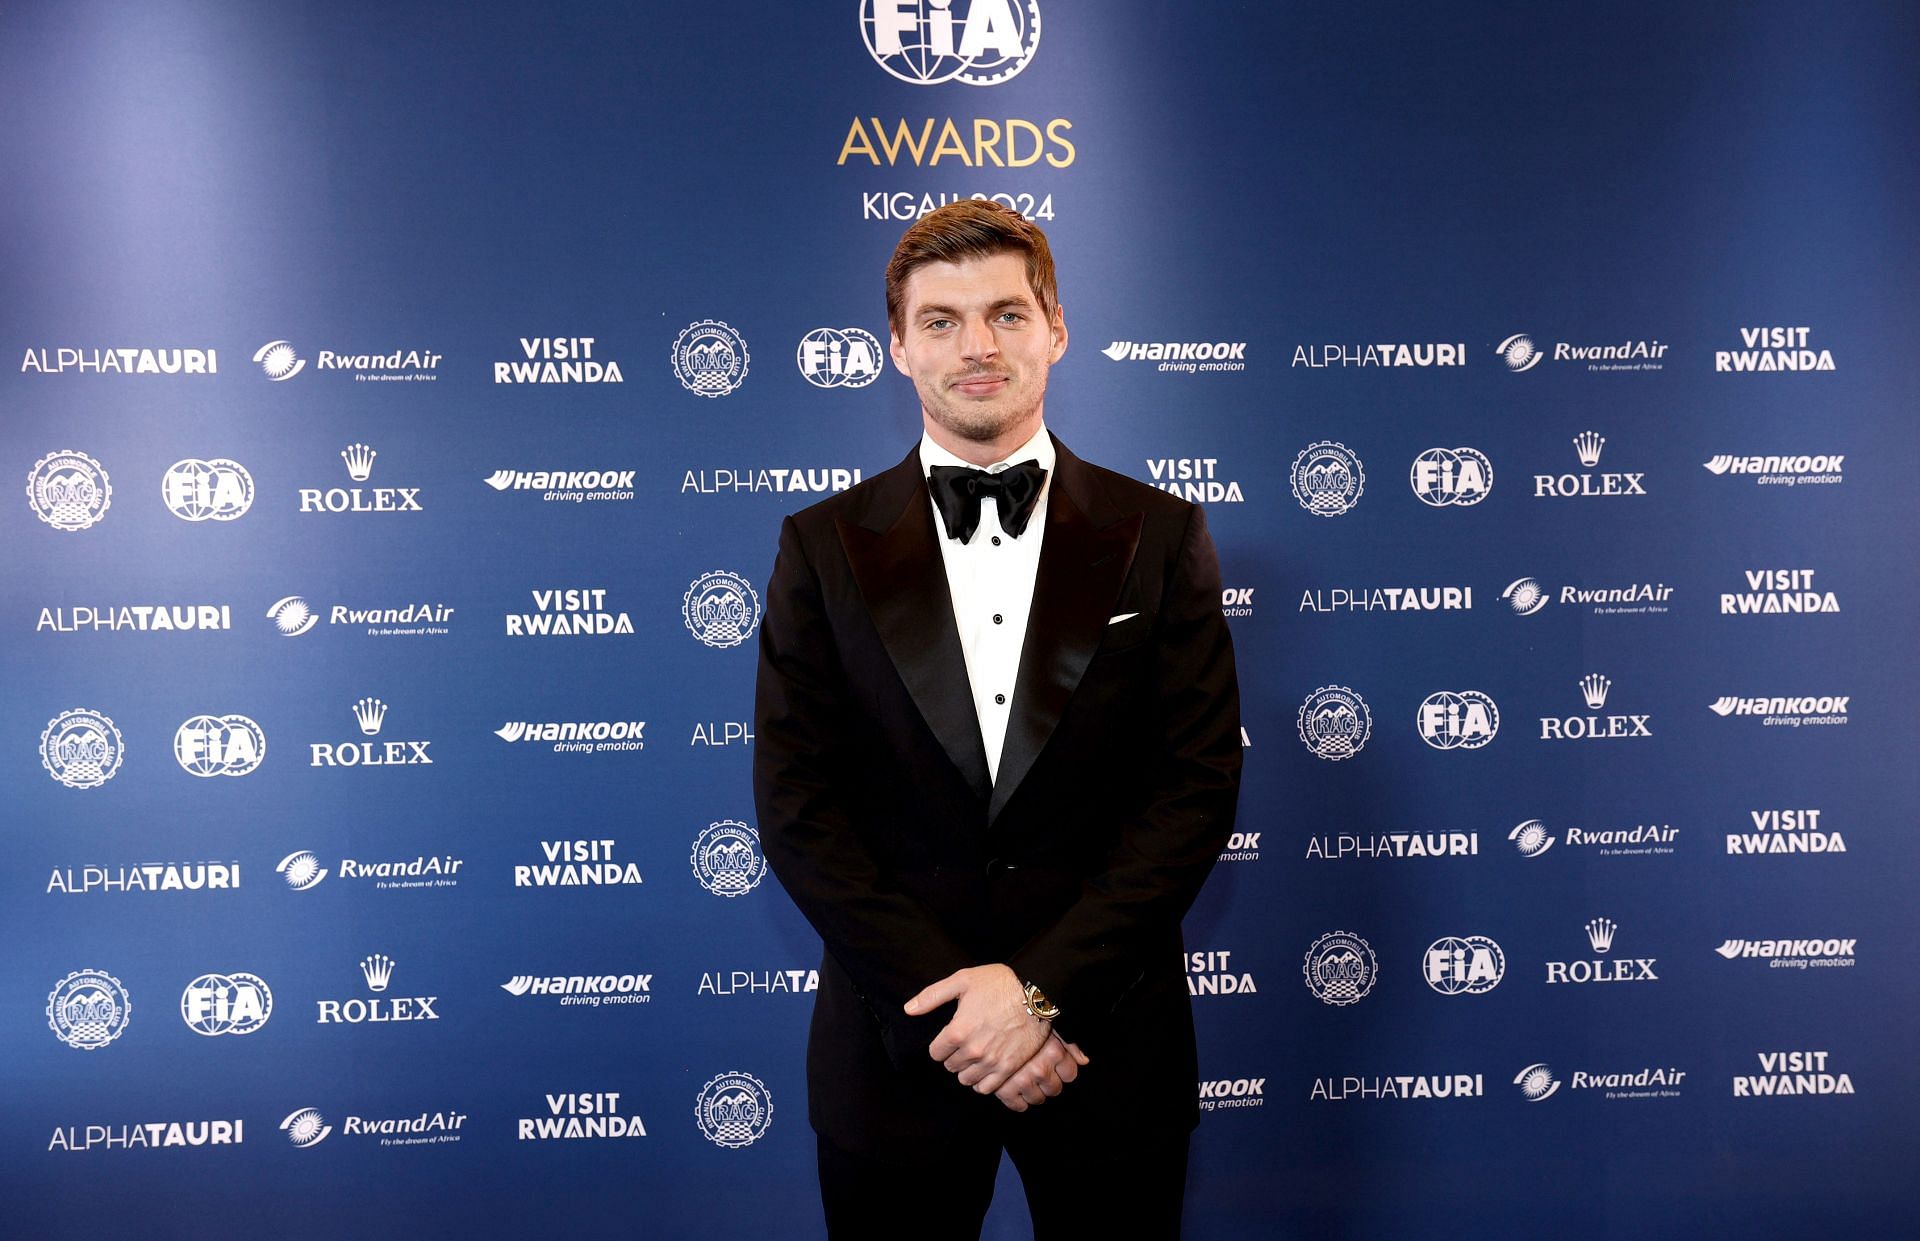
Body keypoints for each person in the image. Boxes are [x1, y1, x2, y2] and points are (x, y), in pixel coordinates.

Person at [753, 199, 1242, 1240]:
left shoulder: (1160, 533)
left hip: (1106, 1040)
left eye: (1006, 314)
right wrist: (959, 1006)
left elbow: (1193, 789)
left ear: (1056, 327)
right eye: (941, 320)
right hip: (900, 1050)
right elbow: (799, 807)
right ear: (897, 346)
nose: (977, 346)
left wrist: (1043, 995)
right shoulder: (820, 544)